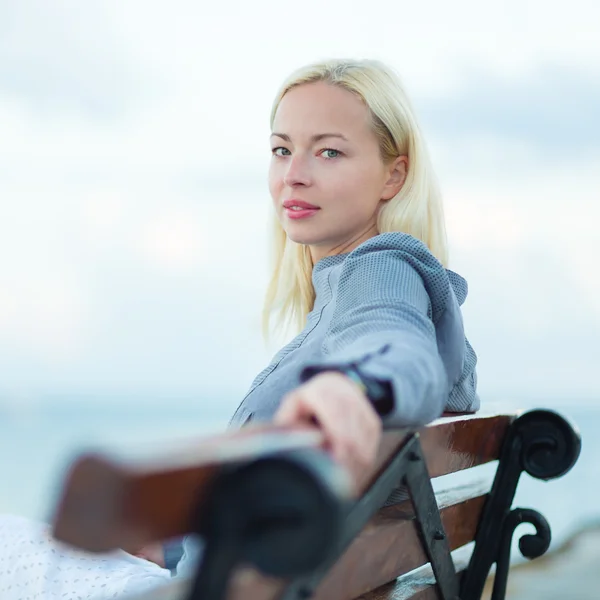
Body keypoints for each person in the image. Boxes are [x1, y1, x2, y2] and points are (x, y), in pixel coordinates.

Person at [0, 57, 478, 598]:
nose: (292, 173)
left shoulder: (381, 270)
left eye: (328, 151)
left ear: (395, 174)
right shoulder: (359, 287)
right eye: (282, 149)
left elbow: (395, 344)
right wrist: (174, 544)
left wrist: (356, 386)